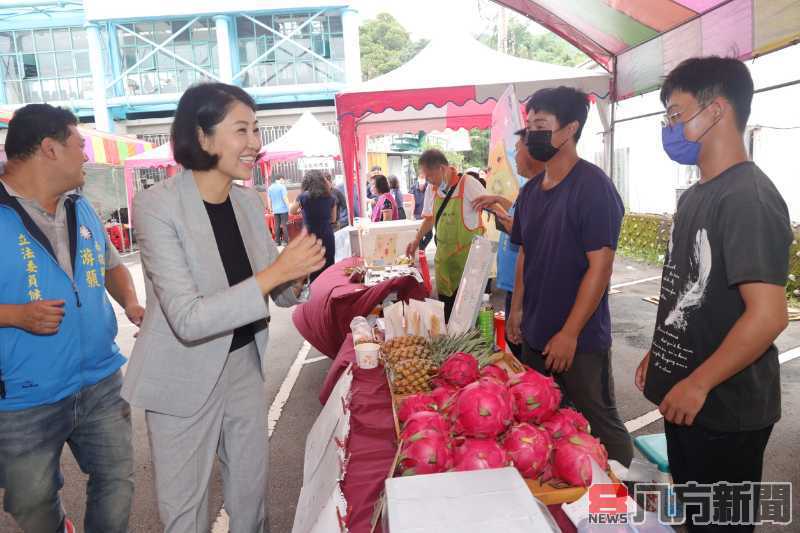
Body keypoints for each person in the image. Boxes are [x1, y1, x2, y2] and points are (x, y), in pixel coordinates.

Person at [121, 83, 325, 533]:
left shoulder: (248, 202)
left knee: (251, 499)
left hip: (242, 366)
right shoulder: (156, 206)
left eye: (255, 129)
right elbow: (189, 319)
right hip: (180, 373)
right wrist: (276, 273)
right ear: (204, 137)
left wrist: (297, 273)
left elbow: (277, 291)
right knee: (185, 513)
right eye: (242, 129)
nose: (255, 142)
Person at [635, 57, 793, 532]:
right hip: (686, 399)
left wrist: (699, 382)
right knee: (696, 519)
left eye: (676, 114)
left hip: (723, 409)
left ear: (717, 111)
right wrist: (659, 354)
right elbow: (687, 293)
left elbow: (769, 315)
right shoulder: (697, 194)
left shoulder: (748, 196)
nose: (670, 127)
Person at [0, 104, 142, 533]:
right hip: (23, 394)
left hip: (100, 378)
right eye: (79, 145)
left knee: (117, 481)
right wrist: (13, 315)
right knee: (32, 503)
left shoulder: (81, 208)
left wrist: (131, 302)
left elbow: (112, 264)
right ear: (48, 149)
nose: (86, 155)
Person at [507, 86, 633, 466]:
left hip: (580, 342)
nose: (531, 135)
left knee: (600, 424)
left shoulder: (593, 188)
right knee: (541, 420)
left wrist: (570, 333)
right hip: (535, 332)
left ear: (570, 130)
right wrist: (516, 311)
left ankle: (622, 506)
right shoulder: (530, 193)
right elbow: (525, 253)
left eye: (541, 125)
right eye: (529, 126)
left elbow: (601, 266)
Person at [473, 129, 545, 358]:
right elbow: (517, 209)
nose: (514, 153)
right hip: (513, 283)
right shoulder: (529, 190)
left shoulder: (543, 191)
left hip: (523, 285)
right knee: (516, 341)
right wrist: (497, 200)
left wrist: (507, 221)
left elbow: (526, 233)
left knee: (522, 343)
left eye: (517, 148)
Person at [406, 149, 487, 320]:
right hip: (444, 266)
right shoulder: (432, 189)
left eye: (429, 176)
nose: (428, 181)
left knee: (466, 321)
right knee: (447, 316)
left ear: (442, 169)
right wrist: (416, 240)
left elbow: (492, 206)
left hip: (467, 268)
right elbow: (429, 220)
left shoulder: (469, 184)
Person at [291, 169, 336, 281]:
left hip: (310, 237)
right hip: (327, 235)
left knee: (313, 267)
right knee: (328, 266)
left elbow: (292, 211)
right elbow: (333, 219)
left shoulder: (303, 197)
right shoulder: (331, 197)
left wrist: (303, 210)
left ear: (306, 182)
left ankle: (314, 293)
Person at [411, 174, 433, 249]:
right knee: (419, 235)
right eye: (420, 177)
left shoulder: (429, 186)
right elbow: (412, 201)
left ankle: (422, 249)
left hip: (427, 216)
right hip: (417, 215)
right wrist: (412, 214)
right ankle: (421, 251)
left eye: (423, 177)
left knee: (429, 235)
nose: (422, 179)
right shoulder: (413, 188)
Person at [267, 174, 290, 245]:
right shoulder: (282, 187)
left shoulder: (270, 188)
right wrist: (289, 207)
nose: (283, 181)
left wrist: (270, 208)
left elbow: (269, 199)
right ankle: (285, 241)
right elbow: (285, 198)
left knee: (276, 225)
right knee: (284, 225)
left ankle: (277, 241)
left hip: (275, 210)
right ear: (280, 179)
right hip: (283, 209)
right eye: (283, 180)